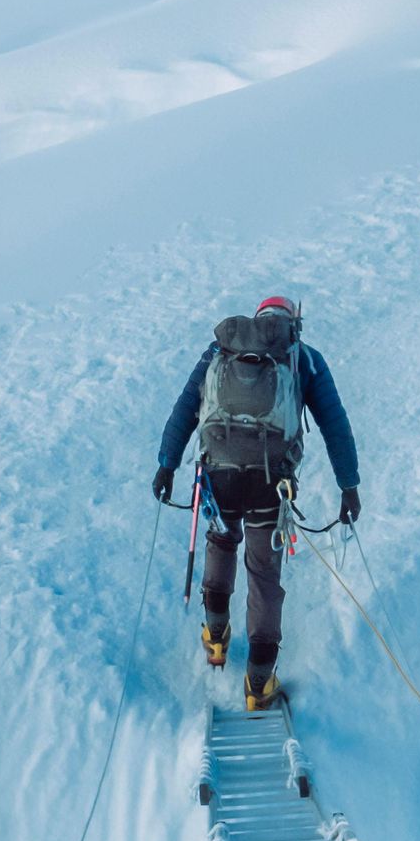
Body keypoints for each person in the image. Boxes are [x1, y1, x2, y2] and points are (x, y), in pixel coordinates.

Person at [153, 296, 360, 710]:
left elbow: (185, 408)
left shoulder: (221, 350)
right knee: (263, 572)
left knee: (221, 542)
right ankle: (259, 680)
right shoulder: (304, 358)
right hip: (272, 480)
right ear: (292, 321)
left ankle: (215, 637)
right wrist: (348, 485)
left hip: (218, 473)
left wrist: (167, 465)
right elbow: (334, 423)